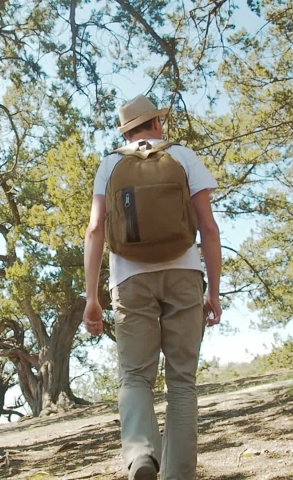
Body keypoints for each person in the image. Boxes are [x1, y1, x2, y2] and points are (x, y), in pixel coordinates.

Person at [82, 94, 222, 480]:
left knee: (135, 376)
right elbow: (208, 228)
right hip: (184, 274)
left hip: (129, 279)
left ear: (126, 130)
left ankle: (142, 455)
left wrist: (92, 298)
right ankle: (178, 474)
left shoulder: (110, 163)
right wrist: (213, 291)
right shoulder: (184, 156)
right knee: (181, 381)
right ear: (157, 124)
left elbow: (95, 229)